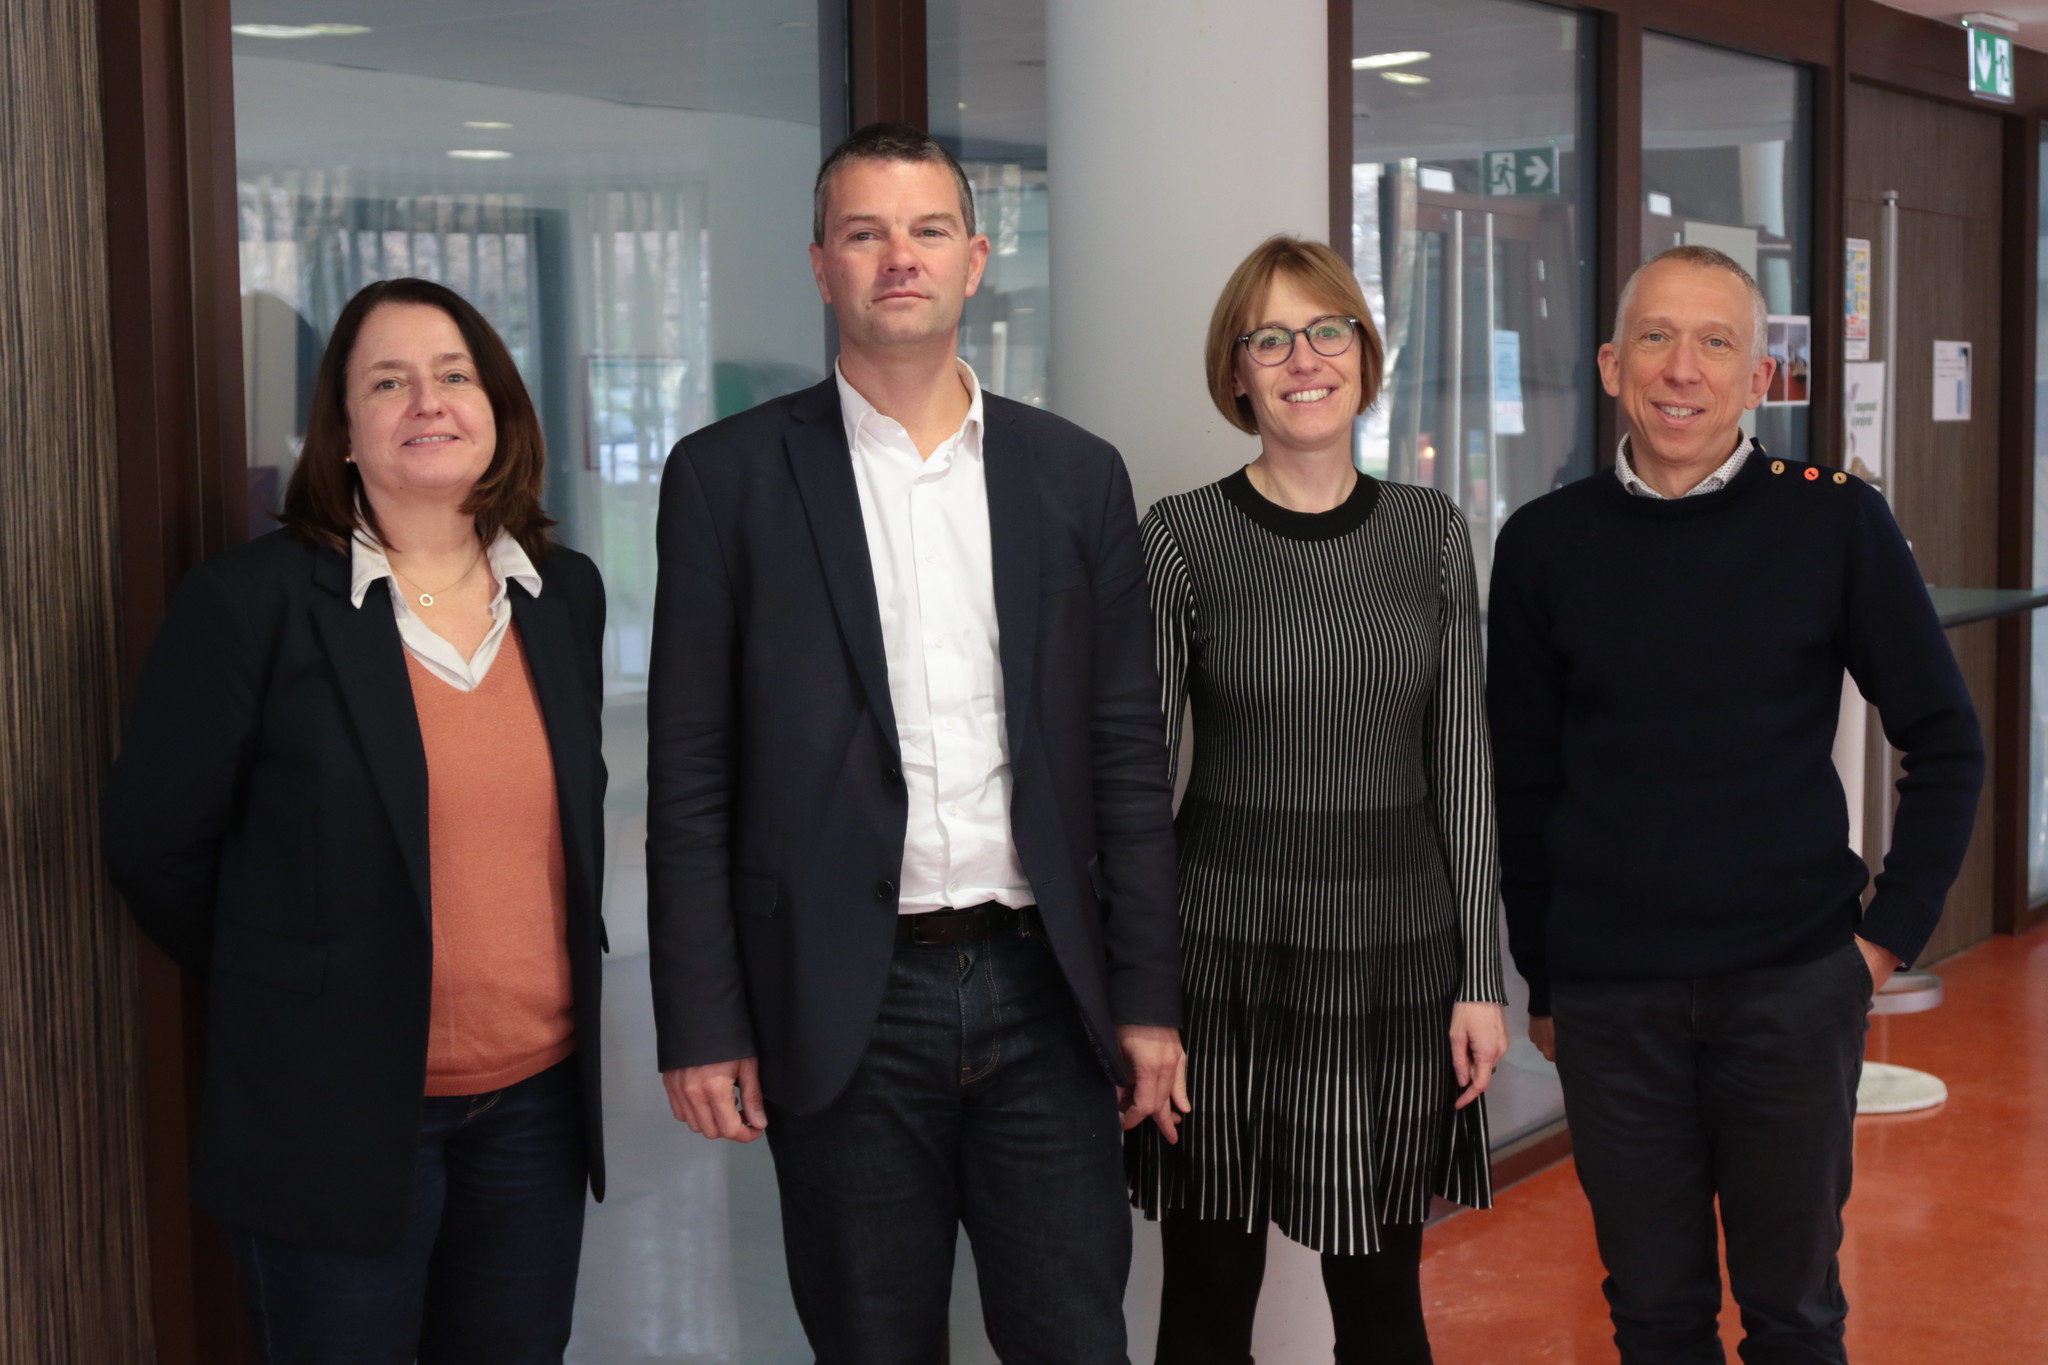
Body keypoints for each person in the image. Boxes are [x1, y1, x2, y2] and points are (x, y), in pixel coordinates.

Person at [645, 122, 1185, 1363]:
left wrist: (1146, 1001)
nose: (900, 258)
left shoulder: (1073, 475)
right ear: (822, 264)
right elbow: (690, 771)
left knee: (1070, 1339)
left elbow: (1123, 753)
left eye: (928, 230)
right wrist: (700, 1019)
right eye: (865, 232)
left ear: (975, 259)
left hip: (1044, 994)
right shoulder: (725, 479)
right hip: (842, 1001)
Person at [1487, 245, 1984, 1364]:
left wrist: (1882, 941)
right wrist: (1547, 979)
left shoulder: (1833, 521)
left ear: (1760, 379)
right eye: (1656, 339)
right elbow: (1520, 782)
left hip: (1791, 987)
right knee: (1652, 1318)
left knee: (1792, 1314)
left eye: (1716, 343)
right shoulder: (1542, 545)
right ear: (1613, 365)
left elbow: (1945, 740)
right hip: (1611, 1002)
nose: (1682, 370)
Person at [102, 277, 609, 1364]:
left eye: (452, 375)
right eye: (387, 382)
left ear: (500, 409)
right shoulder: (251, 606)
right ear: (339, 432)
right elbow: (157, 848)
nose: (426, 402)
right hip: (329, 1112)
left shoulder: (561, 595)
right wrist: (303, 973)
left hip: (532, 1111)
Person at [1127, 236, 1507, 1365]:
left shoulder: (1430, 533)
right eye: (1271, 337)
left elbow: (1463, 766)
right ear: (1235, 371)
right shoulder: (1178, 539)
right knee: (1202, 1305)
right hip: (1222, 963)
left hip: (1394, 961)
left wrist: (1479, 978)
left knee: (1384, 1312)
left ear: (1362, 352)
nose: (1305, 358)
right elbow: (1136, 785)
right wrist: (1141, 1000)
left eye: (1328, 328)